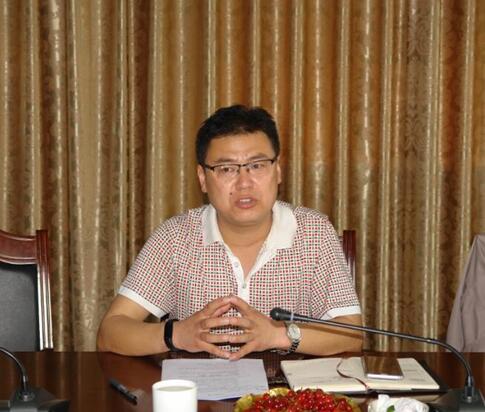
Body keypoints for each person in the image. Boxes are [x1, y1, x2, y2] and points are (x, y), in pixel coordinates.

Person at [97, 105, 363, 360]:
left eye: (257, 165)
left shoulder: (313, 232)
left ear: (278, 170)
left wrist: (277, 335)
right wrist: (177, 335)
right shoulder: (175, 237)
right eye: (226, 169)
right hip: (199, 389)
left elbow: (351, 333)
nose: (244, 183)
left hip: (285, 389)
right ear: (203, 178)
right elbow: (111, 332)